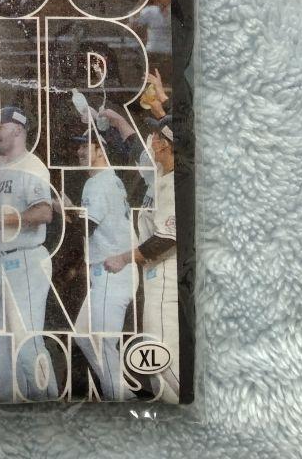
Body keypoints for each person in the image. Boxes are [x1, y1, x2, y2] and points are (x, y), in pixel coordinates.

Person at [0, 106, 58, 401]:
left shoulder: (32, 165)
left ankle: (49, 406)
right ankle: (12, 410)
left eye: (0, 125)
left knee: (26, 345)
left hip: (23, 258)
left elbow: (44, 212)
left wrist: (5, 219)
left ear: (18, 130)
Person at [103, 116, 179, 402]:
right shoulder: (159, 171)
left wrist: (124, 258)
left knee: (164, 359)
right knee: (159, 362)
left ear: (167, 145)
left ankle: (192, 407)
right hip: (156, 276)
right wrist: (115, 119)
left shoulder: (175, 183)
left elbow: (166, 239)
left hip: (166, 274)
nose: (152, 140)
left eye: (156, 136)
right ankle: (177, 411)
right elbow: (135, 147)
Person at [71, 129, 134, 401]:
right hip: (109, 271)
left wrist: (64, 211)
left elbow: (86, 226)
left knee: (102, 340)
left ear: (101, 150)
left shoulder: (97, 182)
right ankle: (122, 393)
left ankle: (118, 399)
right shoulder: (110, 178)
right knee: (84, 336)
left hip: (112, 270)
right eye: (79, 146)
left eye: (87, 146)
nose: (80, 151)